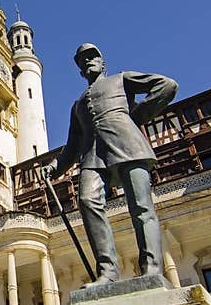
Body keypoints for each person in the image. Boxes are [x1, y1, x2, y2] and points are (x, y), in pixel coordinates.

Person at [42, 43, 177, 287]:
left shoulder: (121, 79)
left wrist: (134, 118)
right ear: (80, 71)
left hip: (129, 146)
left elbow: (166, 85)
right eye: (83, 60)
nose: (88, 61)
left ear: (103, 63)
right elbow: (72, 146)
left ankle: (152, 269)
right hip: (92, 157)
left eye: (93, 57)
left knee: (141, 207)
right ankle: (107, 273)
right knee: (87, 201)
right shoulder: (78, 105)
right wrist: (55, 166)